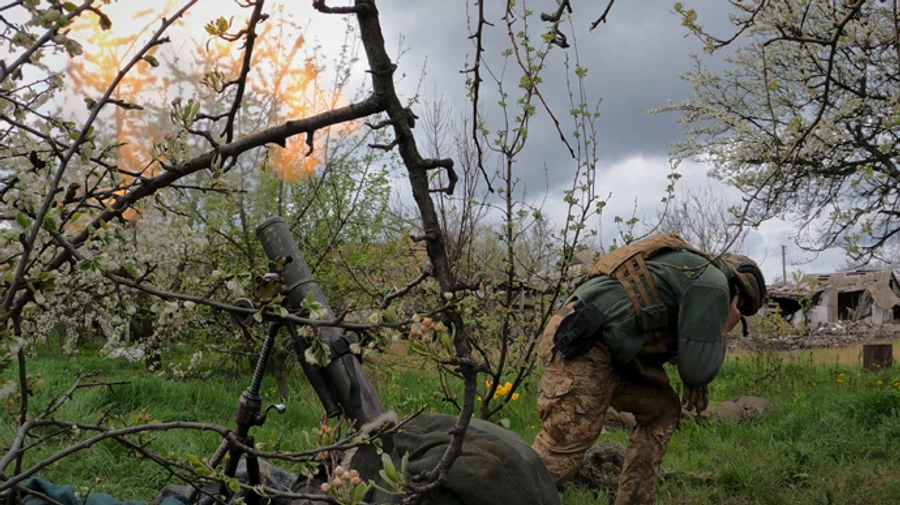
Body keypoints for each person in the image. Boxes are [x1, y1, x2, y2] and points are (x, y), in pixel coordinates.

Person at [531, 233, 766, 505]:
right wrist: (723, 329)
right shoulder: (713, 286)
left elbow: (683, 349)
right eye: (743, 309)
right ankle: (488, 489)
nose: (739, 314)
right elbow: (697, 371)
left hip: (598, 342)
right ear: (738, 292)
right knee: (562, 455)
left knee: (662, 409)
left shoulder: (694, 271)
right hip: (583, 344)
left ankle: (634, 501)